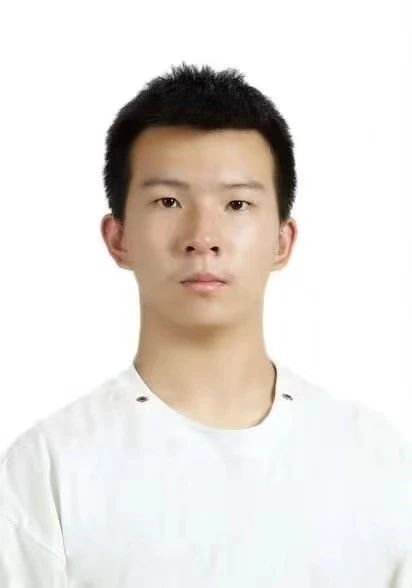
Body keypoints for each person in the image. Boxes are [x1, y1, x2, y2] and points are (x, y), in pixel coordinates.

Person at [0, 62, 411, 587]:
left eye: (237, 203)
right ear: (118, 238)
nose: (202, 237)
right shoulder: (48, 469)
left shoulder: (375, 460)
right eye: (168, 201)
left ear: (282, 240)